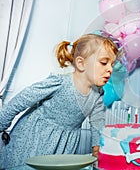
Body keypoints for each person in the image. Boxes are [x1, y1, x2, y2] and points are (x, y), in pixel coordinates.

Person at [0, 33, 120, 168]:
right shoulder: (61, 83)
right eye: (104, 62)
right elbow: (22, 99)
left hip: (65, 144)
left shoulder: (98, 94)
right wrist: (1, 123)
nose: (110, 69)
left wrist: (97, 150)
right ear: (81, 63)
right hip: (35, 138)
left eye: (112, 64)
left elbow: (98, 123)